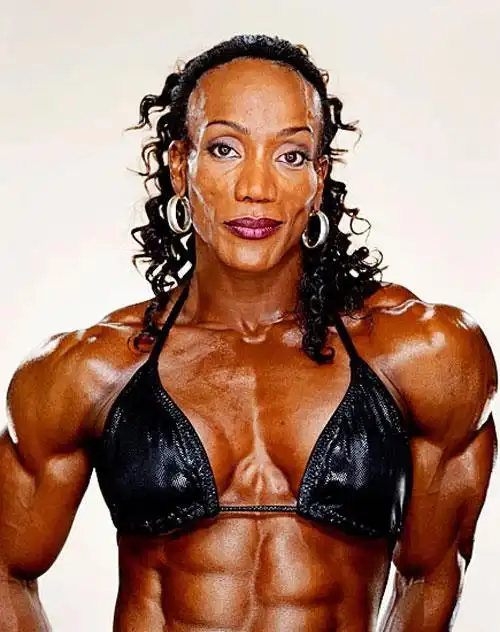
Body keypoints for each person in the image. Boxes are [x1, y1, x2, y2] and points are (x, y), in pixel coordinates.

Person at [0, 33, 497, 632]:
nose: (255, 188)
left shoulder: (424, 356)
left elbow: (432, 575)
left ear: (319, 177)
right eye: (225, 149)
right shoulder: (89, 371)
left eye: (291, 156)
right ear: (180, 166)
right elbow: (6, 569)